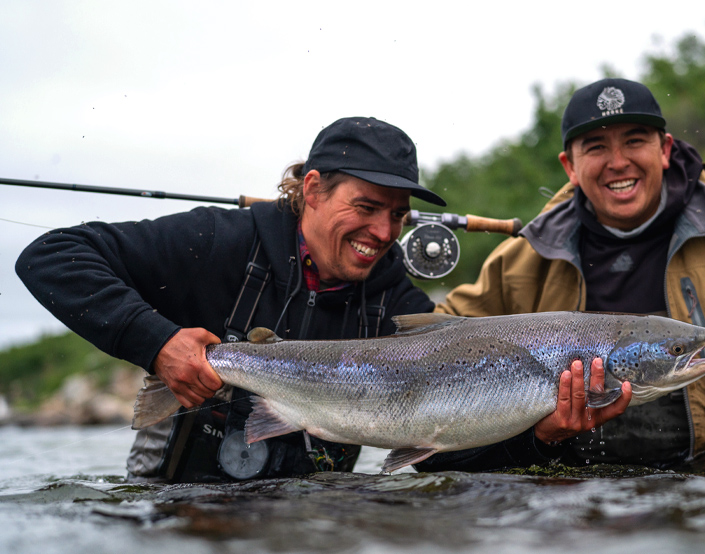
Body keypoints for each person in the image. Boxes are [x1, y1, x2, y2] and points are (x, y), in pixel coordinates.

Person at [416, 78, 705, 471]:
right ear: (570, 166)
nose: (618, 162)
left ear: (664, 149)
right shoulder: (524, 258)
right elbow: (429, 345)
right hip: (576, 491)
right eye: (596, 148)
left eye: (635, 141)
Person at [15, 117, 445, 482]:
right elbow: (51, 256)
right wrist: (157, 343)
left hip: (317, 528)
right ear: (313, 190)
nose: (385, 233)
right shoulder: (219, 243)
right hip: (176, 516)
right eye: (366, 207)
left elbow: (445, 439)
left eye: (397, 215)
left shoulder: (397, 303)